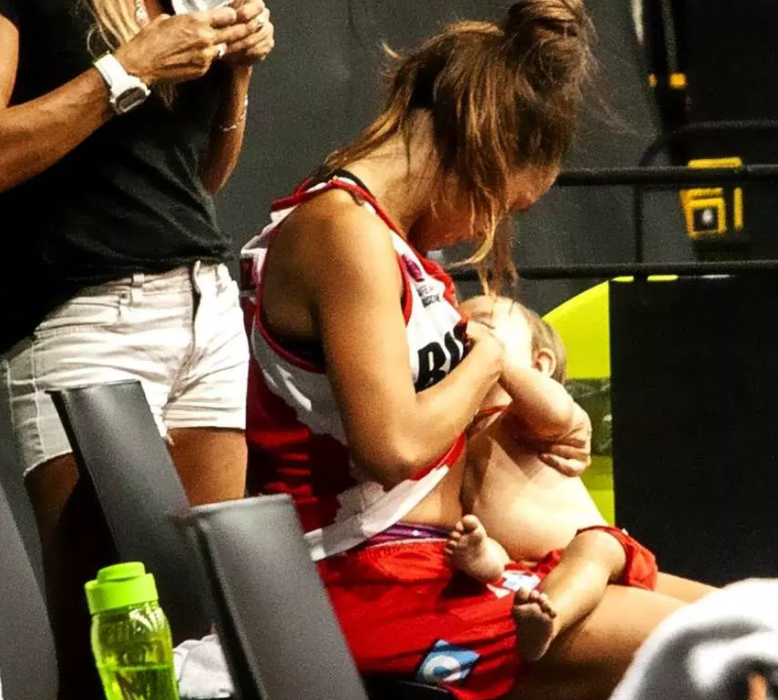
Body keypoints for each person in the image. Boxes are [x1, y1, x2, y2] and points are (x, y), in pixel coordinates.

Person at [245, 2, 733, 698]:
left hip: (446, 566)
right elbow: (391, 448)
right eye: (505, 205)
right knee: (723, 663)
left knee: (752, 626)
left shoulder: (395, 244)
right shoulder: (341, 232)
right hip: (367, 580)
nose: (489, 225)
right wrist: (490, 358)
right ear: (484, 148)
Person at [0, 0, 273, 696]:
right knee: (111, 645)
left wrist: (236, 77)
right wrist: (129, 68)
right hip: (87, 317)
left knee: (202, 644)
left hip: (203, 308)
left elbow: (192, 181)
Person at [447, 296, 714, 663]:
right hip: (519, 570)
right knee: (483, 553)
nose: (465, 330)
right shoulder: (453, 433)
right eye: (457, 324)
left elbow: (555, 411)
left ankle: (550, 621)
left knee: (596, 550)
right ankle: (534, 610)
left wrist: (496, 359)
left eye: (485, 325)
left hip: (593, 550)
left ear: (539, 364)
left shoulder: (518, 417)